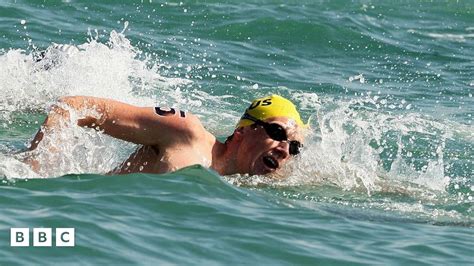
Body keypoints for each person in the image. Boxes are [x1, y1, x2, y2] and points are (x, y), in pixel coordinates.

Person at [27, 94, 306, 176]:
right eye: (277, 133)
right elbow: (74, 106)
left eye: (294, 147)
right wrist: (36, 164)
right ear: (243, 130)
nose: (284, 149)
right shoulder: (186, 133)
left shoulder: (255, 195)